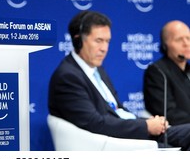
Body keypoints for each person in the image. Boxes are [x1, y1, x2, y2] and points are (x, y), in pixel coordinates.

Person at [48, 10, 190, 150]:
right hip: (115, 142)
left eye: (107, 41)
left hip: (131, 133)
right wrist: (145, 126)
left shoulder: (97, 70)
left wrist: (148, 122)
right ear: (78, 40)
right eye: (98, 41)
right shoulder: (68, 77)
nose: (104, 48)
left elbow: (118, 111)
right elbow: (95, 123)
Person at [143, 20, 190, 125]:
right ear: (165, 45)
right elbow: (168, 113)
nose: (186, 43)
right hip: (176, 133)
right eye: (179, 40)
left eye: (188, 38)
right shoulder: (157, 71)